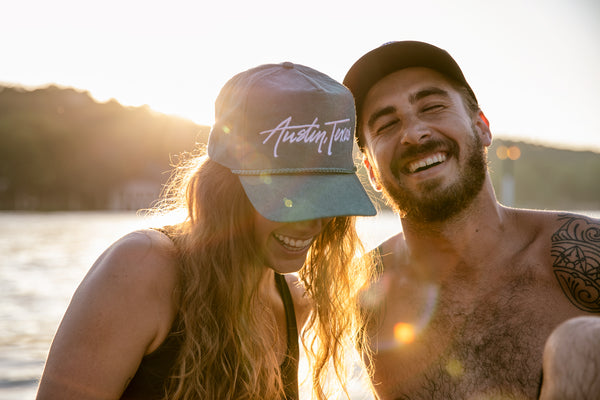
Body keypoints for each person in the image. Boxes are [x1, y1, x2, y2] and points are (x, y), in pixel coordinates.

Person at [36, 61, 377, 400]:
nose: (313, 222)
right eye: (289, 198)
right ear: (226, 189)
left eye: (326, 196)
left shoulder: (293, 300)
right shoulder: (143, 268)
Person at [343, 40, 600, 399]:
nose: (414, 133)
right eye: (386, 125)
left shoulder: (580, 252)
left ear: (482, 127)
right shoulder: (365, 298)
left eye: (432, 107)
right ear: (370, 170)